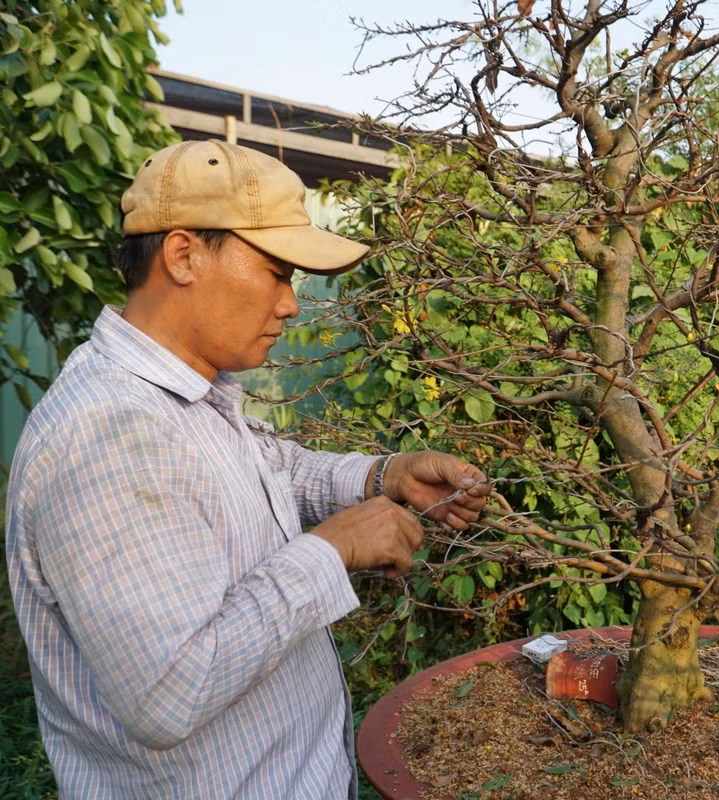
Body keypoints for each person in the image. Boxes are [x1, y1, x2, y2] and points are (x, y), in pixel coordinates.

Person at [5, 139, 491, 799]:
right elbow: (169, 692)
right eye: (277, 271)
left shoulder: (188, 396)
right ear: (183, 256)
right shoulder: (109, 436)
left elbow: (265, 474)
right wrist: (333, 550)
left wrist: (383, 476)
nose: (291, 303)